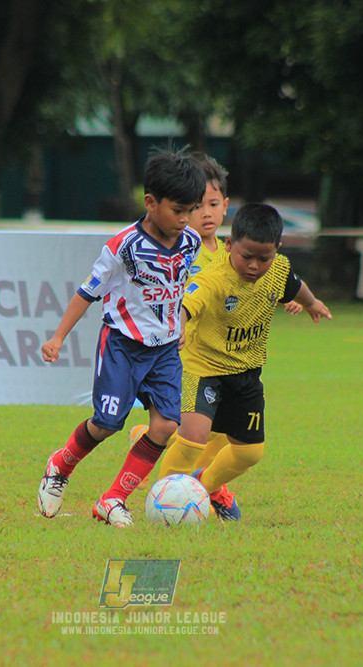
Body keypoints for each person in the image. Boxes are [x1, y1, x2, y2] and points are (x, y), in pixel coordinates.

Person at [36, 147, 206, 527]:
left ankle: (112, 499)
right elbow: (87, 292)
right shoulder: (122, 247)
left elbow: (181, 285)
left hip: (163, 351)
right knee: (108, 423)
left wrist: (178, 317)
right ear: (151, 202)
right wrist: (59, 337)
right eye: (178, 210)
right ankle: (61, 464)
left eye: (190, 210)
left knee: (165, 425)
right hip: (122, 347)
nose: (185, 219)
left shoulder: (191, 242)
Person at [154, 202, 332, 520]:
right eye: (246, 256)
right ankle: (165, 503)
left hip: (246, 374)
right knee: (193, 439)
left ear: (277, 250)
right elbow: (186, 302)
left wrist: (312, 302)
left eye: (263, 258)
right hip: (203, 368)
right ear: (229, 245)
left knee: (250, 452)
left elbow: (295, 286)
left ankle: (203, 487)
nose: (254, 265)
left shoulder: (278, 270)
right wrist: (177, 325)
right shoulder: (213, 278)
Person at [130, 152, 231, 489]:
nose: (205, 214)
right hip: (186, 355)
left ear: (226, 206)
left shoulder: (230, 252)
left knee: (223, 431)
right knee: (196, 430)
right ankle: (191, 490)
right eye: (197, 206)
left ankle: (151, 441)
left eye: (213, 204)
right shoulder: (182, 249)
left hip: (222, 354)